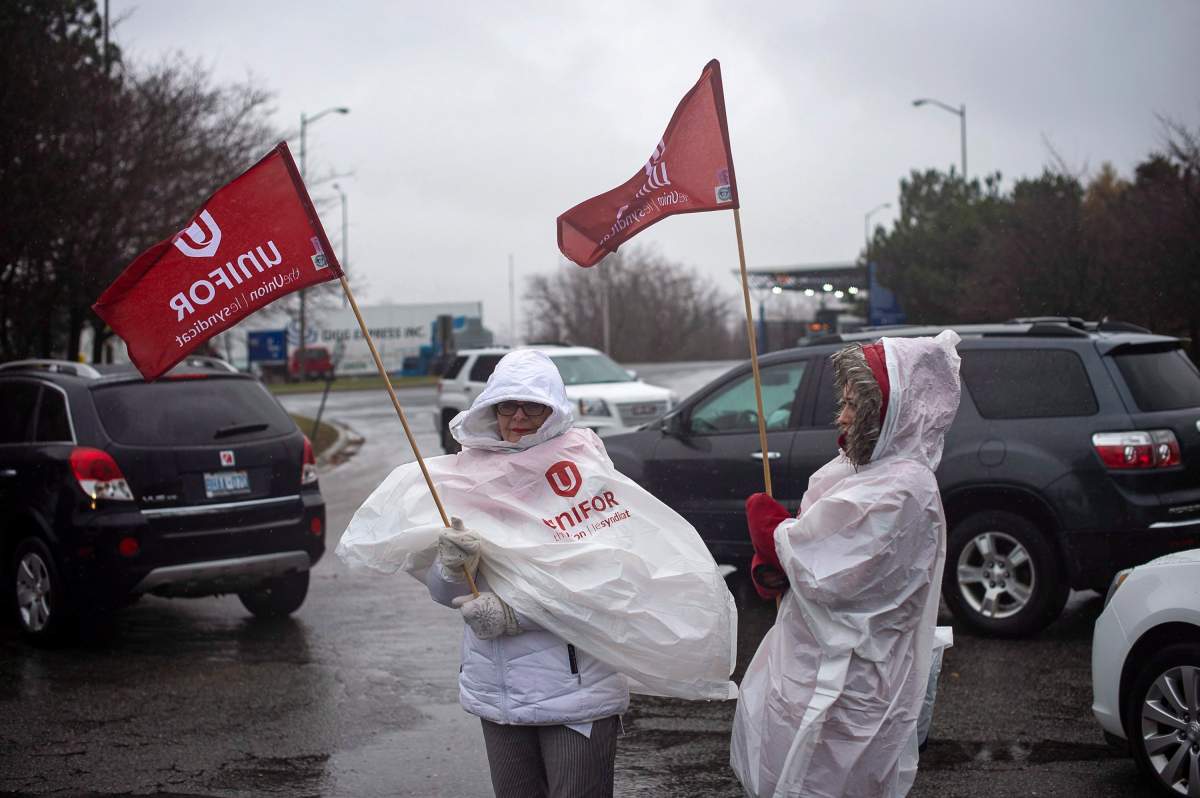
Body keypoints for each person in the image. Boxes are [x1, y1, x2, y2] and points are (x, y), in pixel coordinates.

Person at [730, 331, 962, 798]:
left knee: (830, 780)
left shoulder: (903, 489)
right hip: (820, 667)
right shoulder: (867, 470)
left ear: (888, 412)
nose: (842, 415)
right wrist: (777, 566)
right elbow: (822, 553)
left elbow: (831, 574)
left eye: (855, 405)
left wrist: (776, 538)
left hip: (852, 683)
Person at [425, 350, 629, 798]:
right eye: (506, 406)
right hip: (495, 692)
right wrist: (451, 567)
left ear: (554, 410)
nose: (517, 417)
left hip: (574, 693)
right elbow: (445, 594)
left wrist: (515, 615)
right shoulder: (467, 477)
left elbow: (605, 581)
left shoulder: (584, 475)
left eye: (532, 406)